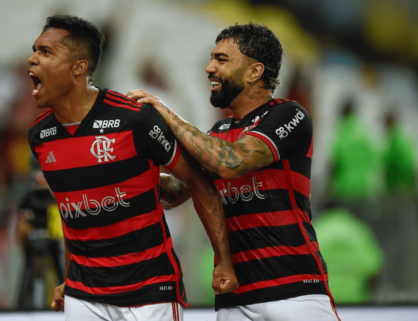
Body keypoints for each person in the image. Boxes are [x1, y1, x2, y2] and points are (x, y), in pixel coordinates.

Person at [26, 15, 237, 321]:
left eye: (45, 52)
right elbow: (73, 213)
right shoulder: (39, 136)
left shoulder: (134, 120)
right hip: (85, 292)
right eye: (35, 50)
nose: (31, 58)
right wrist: (71, 277)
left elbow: (198, 180)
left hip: (149, 289)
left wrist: (224, 260)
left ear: (78, 68)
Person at [128, 23, 340, 321]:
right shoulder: (219, 132)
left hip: (295, 290)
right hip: (235, 299)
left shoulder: (289, 114)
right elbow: (177, 191)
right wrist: (120, 173)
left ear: (254, 72)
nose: (209, 68)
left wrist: (165, 113)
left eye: (221, 60)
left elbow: (231, 162)